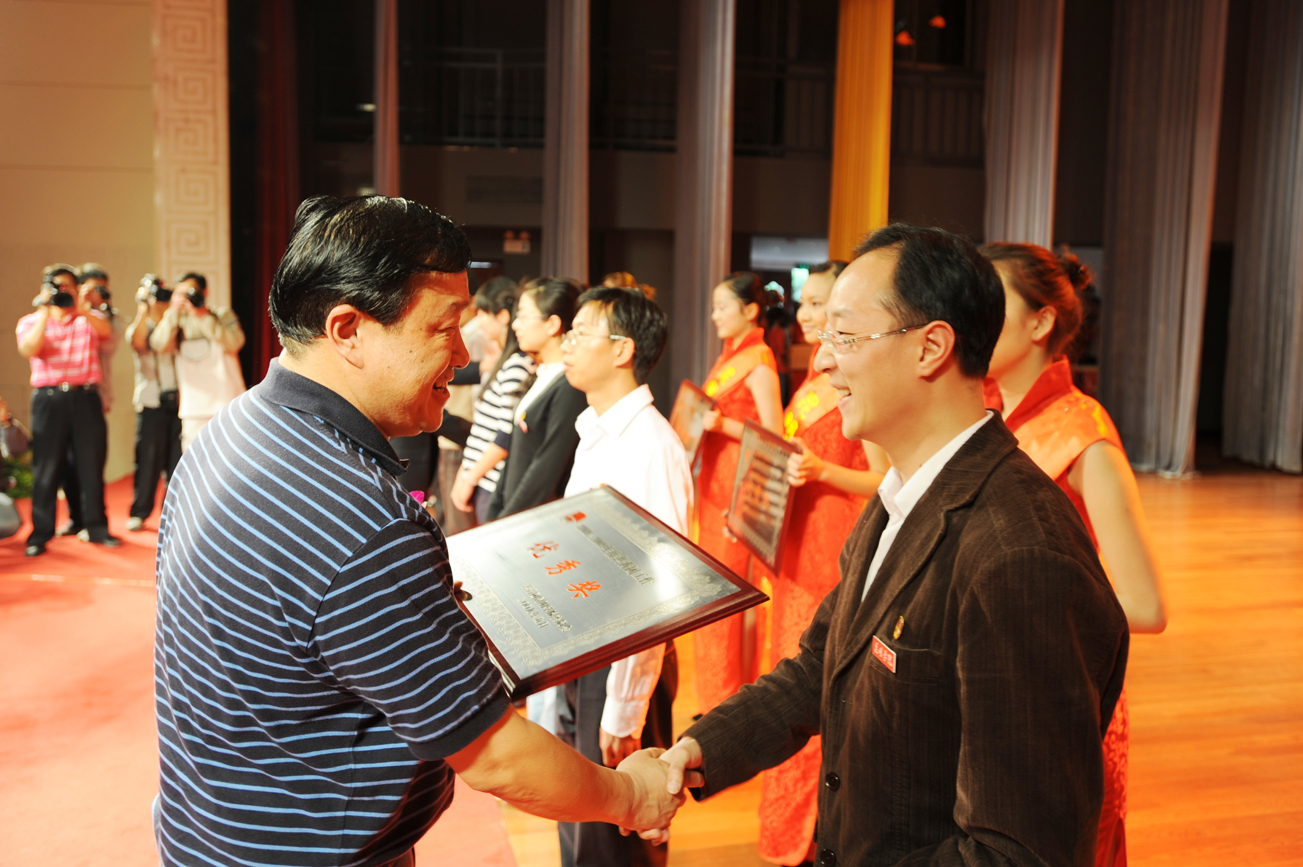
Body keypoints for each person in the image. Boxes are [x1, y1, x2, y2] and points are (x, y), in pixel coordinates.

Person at [153, 195, 690, 867]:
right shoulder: (358, 515)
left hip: (216, 825)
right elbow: (494, 754)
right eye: (444, 327)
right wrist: (630, 796)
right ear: (348, 329)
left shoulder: (235, 426)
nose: (462, 354)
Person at [656, 224, 1130, 867]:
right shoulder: (900, 493)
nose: (821, 362)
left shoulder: (1020, 555)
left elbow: (1014, 851)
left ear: (931, 347)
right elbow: (821, 666)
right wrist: (694, 751)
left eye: (845, 337)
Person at [980, 241, 1169, 867]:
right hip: (994, 688)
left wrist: (1019, 604)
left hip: (1062, 704)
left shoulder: (1084, 436)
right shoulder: (989, 417)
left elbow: (1145, 605)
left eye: (990, 301)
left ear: (1040, 322)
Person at [556, 286, 693, 867]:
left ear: (622, 350)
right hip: (587, 647)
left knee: (616, 837)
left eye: (581, 332)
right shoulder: (598, 430)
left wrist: (624, 707)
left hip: (623, 661)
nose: (567, 342)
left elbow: (660, 589)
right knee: (581, 816)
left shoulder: (651, 446)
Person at [759, 261, 889, 866]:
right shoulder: (814, 373)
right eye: (807, 304)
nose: (810, 315)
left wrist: (820, 472)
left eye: (824, 305)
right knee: (792, 670)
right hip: (797, 541)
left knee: (820, 676)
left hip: (833, 545)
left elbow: (883, 479)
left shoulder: (858, 376)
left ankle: (818, 828)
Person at [693, 271, 783, 715]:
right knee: (714, 591)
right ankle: (714, 695)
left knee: (728, 594)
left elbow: (774, 434)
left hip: (739, 489)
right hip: (716, 484)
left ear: (749, 311)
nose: (714, 316)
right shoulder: (731, 356)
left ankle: (728, 700)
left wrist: (723, 425)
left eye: (722, 307)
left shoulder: (759, 362)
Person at [15, 264, 120, 556]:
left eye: (67, 287)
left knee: (91, 464)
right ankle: (40, 533)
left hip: (85, 397)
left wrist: (81, 306)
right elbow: (28, 349)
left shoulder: (88, 319)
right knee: (46, 468)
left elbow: (106, 332)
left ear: (76, 289)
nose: (62, 292)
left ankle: (97, 528)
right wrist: (45, 310)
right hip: (48, 399)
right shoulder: (31, 321)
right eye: (56, 287)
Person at [485, 277, 587, 521]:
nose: (515, 325)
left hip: (530, 520)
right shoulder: (541, 373)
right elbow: (515, 454)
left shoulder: (569, 386)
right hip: (512, 513)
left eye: (523, 316)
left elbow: (545, 469)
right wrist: (495, 511)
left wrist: (506, 521)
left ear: (552, 324)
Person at [452, 276, 536, 524]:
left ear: (502, 316)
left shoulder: (517, 365)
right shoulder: (508, 362)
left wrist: (470, 478)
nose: (479, 320)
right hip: (482, 478)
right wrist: (465, 473)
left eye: (483, 313)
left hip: (490, 483)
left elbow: (504, 435)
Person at [149, 271, 246, 450]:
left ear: (204, 292)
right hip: (194, 408)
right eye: (180, 294)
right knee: (195, 460)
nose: (186, 298)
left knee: (231, 455)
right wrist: (173, 312)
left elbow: (235, 343)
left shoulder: (220, 315)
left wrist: (202, 316)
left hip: (227, 402)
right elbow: (159, 345)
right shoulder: (177, 321)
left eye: (190, 293)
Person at [124, 274, 182, 531]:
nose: (160, 301)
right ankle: (139, 511)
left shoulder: (175, 324)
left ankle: (171, 514)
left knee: (176, 462)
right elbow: (137, 342)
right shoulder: (141, 325)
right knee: (147, 462)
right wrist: (142, 308)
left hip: (178, 402)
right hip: (150, 403)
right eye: (156, 297)